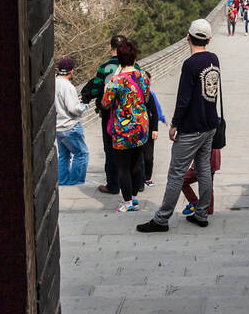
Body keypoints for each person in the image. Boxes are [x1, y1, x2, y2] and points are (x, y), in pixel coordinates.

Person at [137, 19, 221, 233]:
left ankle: (162, 219)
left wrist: (174, 125)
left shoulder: (190, 64)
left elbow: (183, 100)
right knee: (203, 169)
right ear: (209, 40)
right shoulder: (214, 59)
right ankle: (202, 214)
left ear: (187, 37)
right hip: (210, 125)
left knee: (176, 173)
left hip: (192, 128)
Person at [100, 38, 151, 212]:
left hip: (123, 128)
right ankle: (135, 198)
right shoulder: (143, 76)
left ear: (120, 60)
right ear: (135, 58)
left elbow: (105, 104)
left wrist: (109, 88)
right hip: (141, 126)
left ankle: (127, 202)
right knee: (136, 164)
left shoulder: (116, 81)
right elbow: (147, 98)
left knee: (123, 167)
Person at [86, 33, 122, 195]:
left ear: (110, 47)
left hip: (108, 113)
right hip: (128, 113)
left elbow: (96, 90)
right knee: (132, 147)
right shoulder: (133, 66)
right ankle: (137, 183)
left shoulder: (104, 67)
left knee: (110, 148)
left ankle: (113, 185)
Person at [55, 57, 89, 186]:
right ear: (71, 71)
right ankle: (76, 182)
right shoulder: (67, 86)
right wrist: (84, 107)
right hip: (70, 126)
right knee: (81, 154)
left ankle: (62, 181)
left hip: (58, 126)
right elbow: (73, 109)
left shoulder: (54, 83)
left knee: (64, 156)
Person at [181, 145, 221, 217]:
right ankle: (208, 209)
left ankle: (194, 202)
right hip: (213, 159)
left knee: (182, 181)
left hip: (205, 160)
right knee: (209, 185)